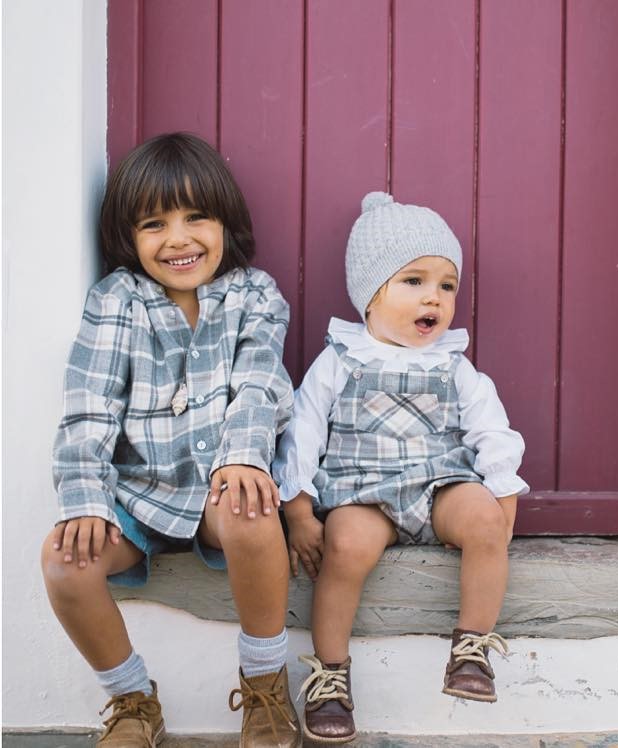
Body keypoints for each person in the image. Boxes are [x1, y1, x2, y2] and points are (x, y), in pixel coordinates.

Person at [41, 132, 300, 748]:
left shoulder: (254, 295)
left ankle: (265, 685)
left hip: (217, 488)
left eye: (196, 217)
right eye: (154, 224)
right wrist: (86, 500)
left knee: (251, 508)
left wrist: (244, 458)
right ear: (127, 236)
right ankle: (133, 701)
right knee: (62, 562)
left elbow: (259, 384)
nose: (178, 239)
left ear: (225, 221)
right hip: (135, 496)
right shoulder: (116, 301)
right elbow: (88, 408)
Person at [273, 192, 529, 744]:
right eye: (414, 281)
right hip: (362, 491)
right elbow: (302, 431)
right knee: (345, 546)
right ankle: (330, 676)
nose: (434, 296)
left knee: (485, 518)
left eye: (447, 285)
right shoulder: (339, 360)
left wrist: (501, 497)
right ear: (371, 293)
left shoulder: (453, 365)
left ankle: (471, 649)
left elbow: (491, 428)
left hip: (439, 485)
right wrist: (298, 510)